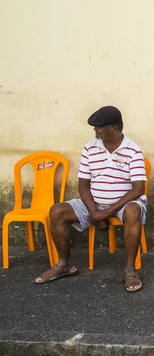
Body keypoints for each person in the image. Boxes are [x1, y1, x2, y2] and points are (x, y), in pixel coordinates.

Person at [35, 106, 147, 292]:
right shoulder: (90, 147)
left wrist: (106, 213)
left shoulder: (133, 151)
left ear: (114, 128)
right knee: (57, 211)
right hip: (93, 203)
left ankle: (130, 270)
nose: (95, 130)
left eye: (99, 127)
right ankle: (65, 264)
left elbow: (138, 189)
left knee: (134, 211)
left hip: (123, 204)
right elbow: (83, 184)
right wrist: (94, 211)